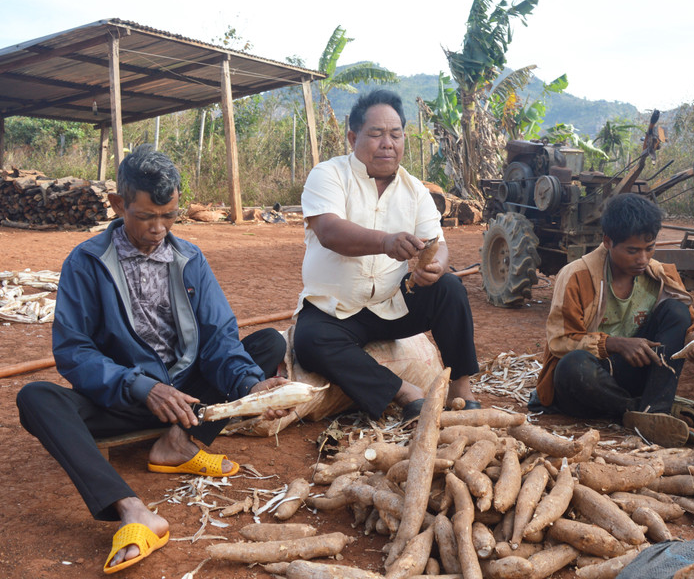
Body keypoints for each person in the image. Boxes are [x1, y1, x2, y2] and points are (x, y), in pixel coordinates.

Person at [16, 145, 291, 574]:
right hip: (123, 400)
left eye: (169, 216)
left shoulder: (189, 259)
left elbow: (219, 337)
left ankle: (176, 444)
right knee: (36, 397)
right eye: (146, 217)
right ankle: (131, 509)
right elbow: (74, 352)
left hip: (186, 398)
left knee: (268, 344)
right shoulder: (86, 262)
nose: (159, 229)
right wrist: (141, 387)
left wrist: (251, 387)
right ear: (119, 203)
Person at [292, 89, 480, 422]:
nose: (387, 143)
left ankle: (462, 393)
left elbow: (439, 243)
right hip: (332, 311)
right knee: (309, 342)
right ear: (353, 137)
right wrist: (386, 242)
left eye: (395, 135)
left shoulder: (415, 191)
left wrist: (436, 266)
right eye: (376, 134)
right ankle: (406, 393)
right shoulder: (328, 175)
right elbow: (330, 232)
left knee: (448, 288)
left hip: (390, 306)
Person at [530, 193, 694, 446]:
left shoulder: (659, 274)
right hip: (592, 382)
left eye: (649, 248)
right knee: (572, 366)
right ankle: (636, 411)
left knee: (676, 311)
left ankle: (655, 410)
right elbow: (560, 342)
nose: (643, 258)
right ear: (608, 241)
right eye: (632, 250)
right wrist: (615, 344)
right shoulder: (577, 276)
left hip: (634, 375)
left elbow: (690, 319)